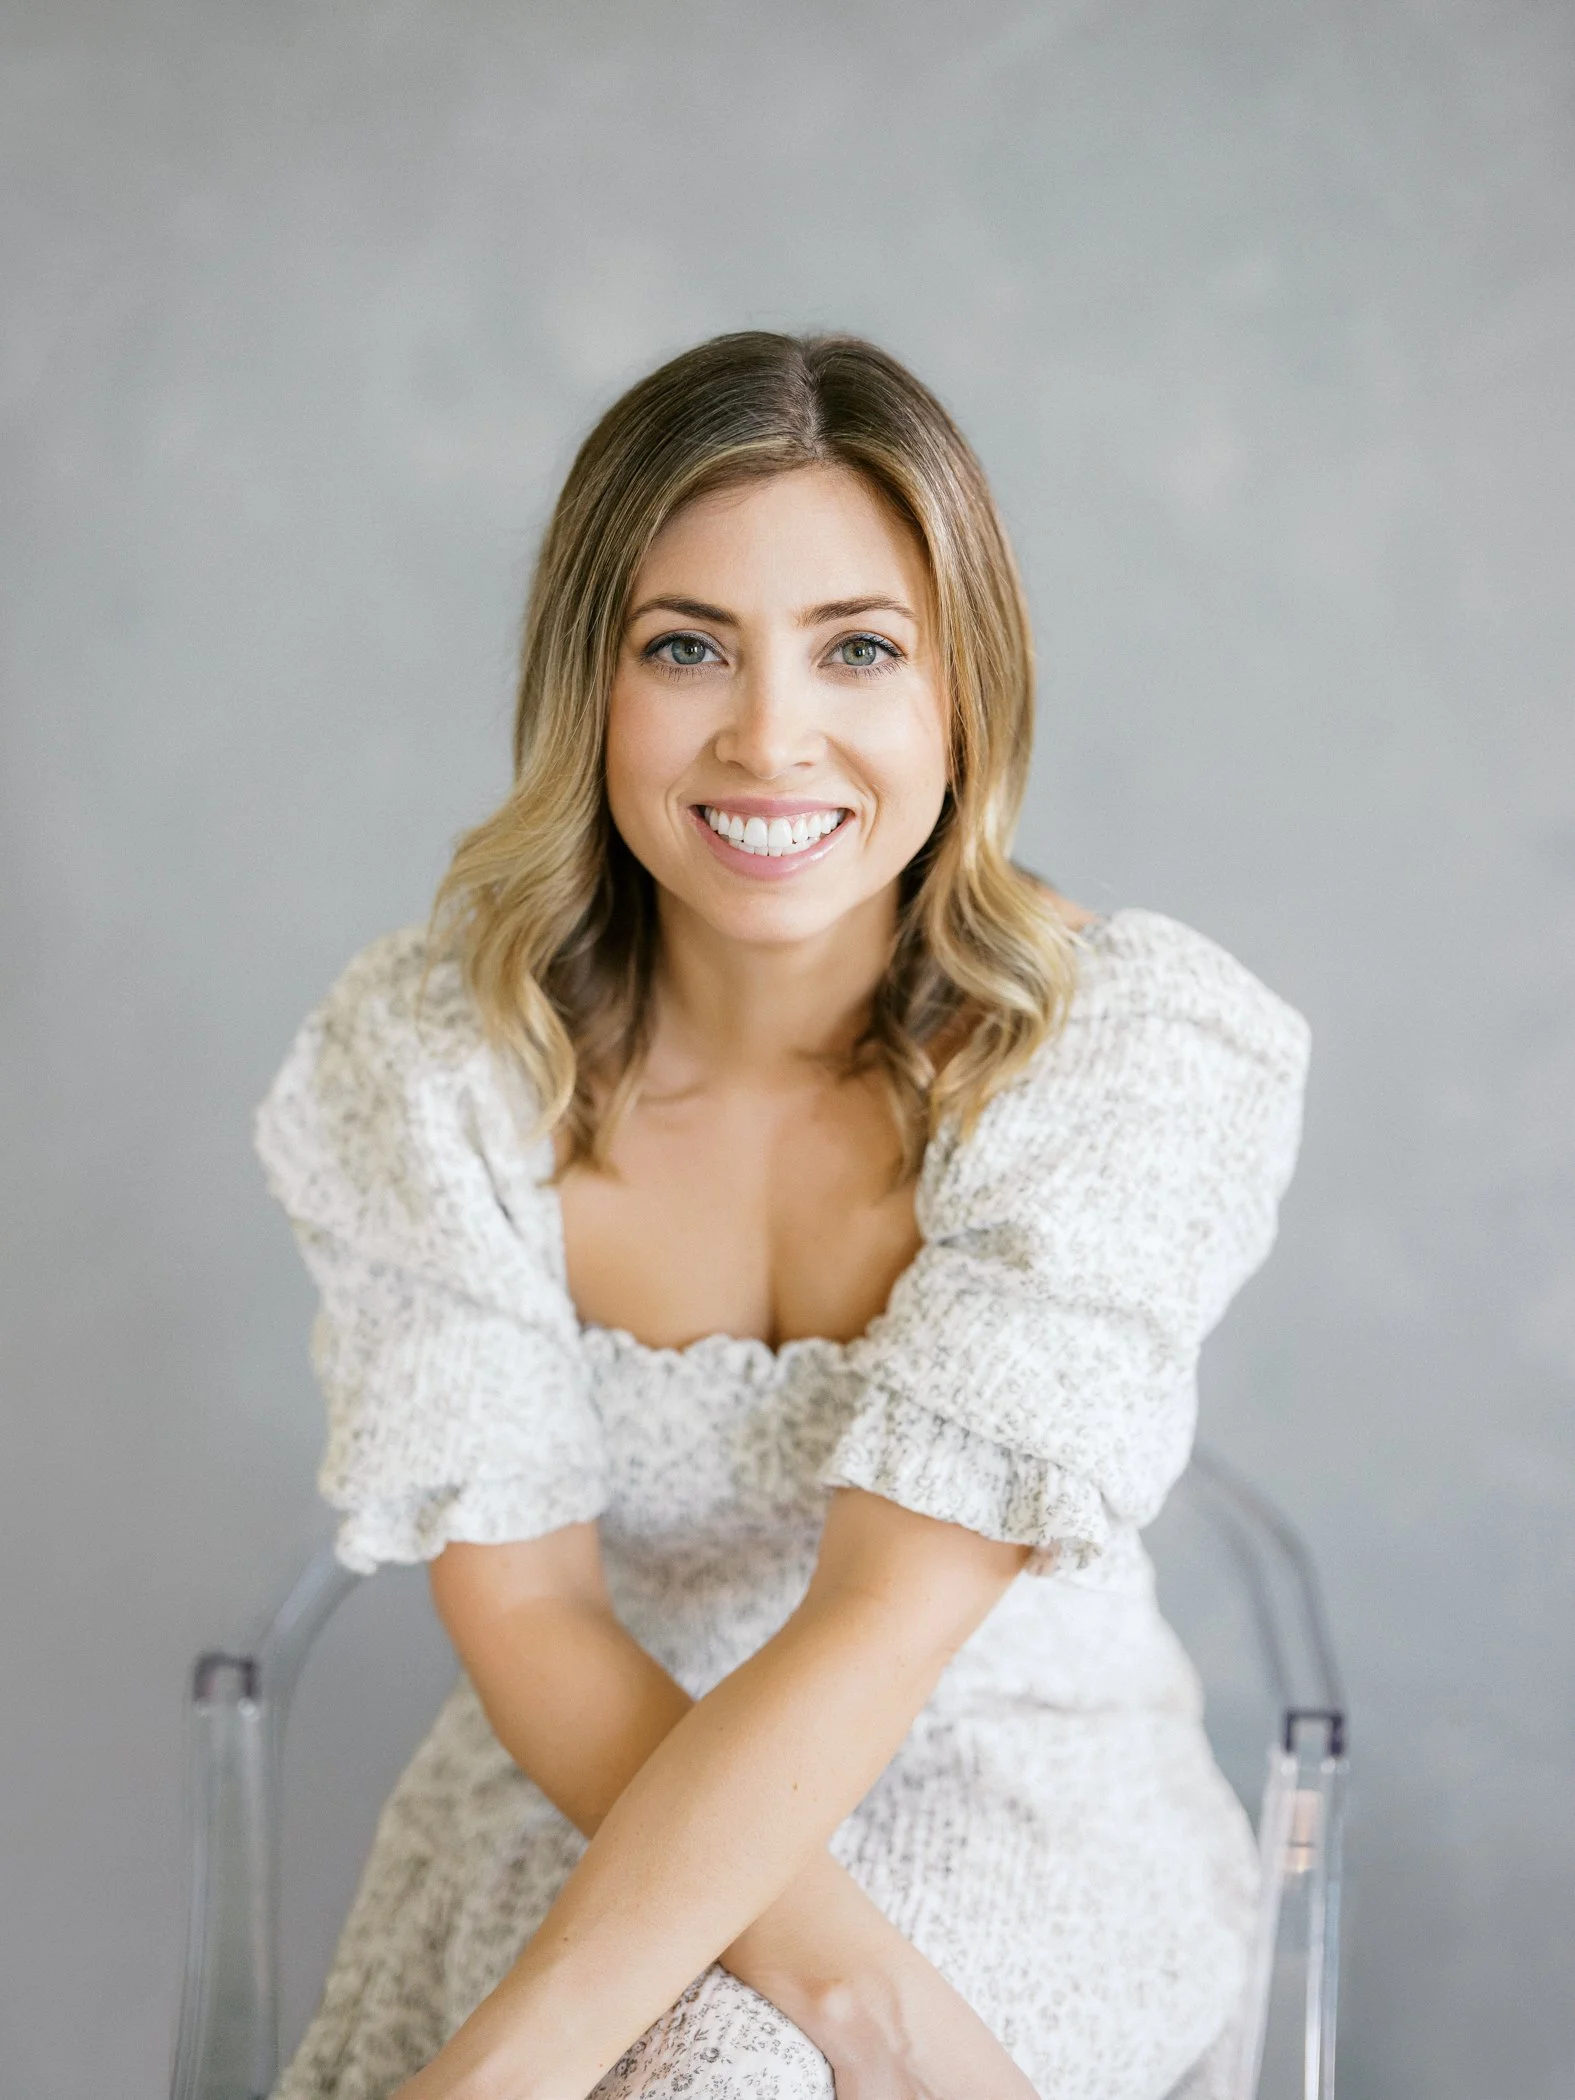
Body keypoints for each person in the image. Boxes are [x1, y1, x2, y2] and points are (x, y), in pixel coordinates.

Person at [254, 330, 1311, 2100]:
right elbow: (529, 1620)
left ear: (962, 696)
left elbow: (879, 1626)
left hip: (1007, 1774)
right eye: (685, 649)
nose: (767, 737)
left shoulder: (1113, 1053)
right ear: (585, 682)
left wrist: (831, 2022)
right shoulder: (438, 1062)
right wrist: (541, 2050)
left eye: (859, 651)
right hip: (582, 1763)